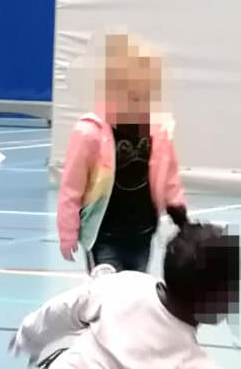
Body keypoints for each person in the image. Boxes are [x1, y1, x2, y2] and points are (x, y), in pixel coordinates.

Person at [9, 210, 241, 368]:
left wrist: (29, 336)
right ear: (218, 301)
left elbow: (65, 308)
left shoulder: (127, 284)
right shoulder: (194, 363)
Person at [57, 33, 186, 274]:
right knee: (107, 290)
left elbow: (169, 179)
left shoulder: (158, 133)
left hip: (143, 234)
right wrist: (67, 232)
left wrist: (180, 216)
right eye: (134, 97)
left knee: (135, 288)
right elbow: (71, 187)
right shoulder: (90, 133)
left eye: (146, 97)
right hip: (104, 235)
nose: (141, 105)